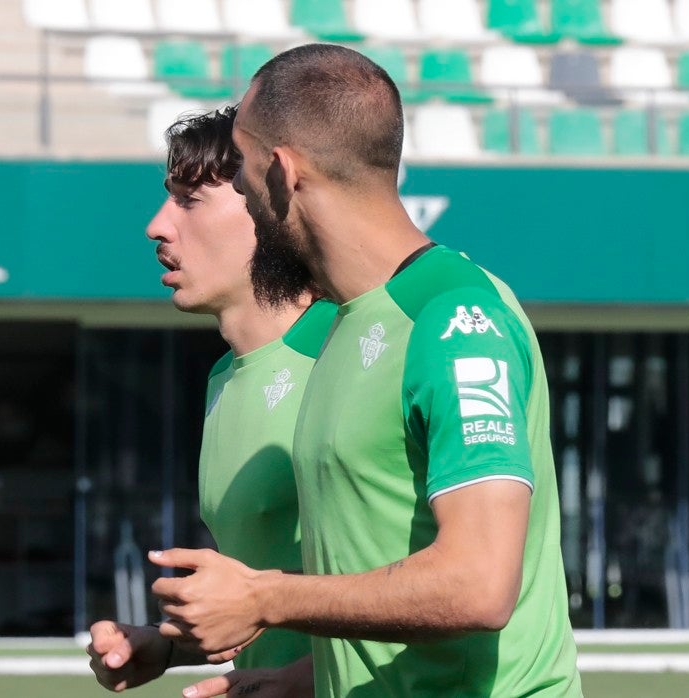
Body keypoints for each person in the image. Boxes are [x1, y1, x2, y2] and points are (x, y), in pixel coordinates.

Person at [149, 44, 582, 697]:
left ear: (283, 173)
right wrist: (297, 682)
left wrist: (265, 597)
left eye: (242, 172)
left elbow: (480, 584)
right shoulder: (344, 327)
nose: (238, 191)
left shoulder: (455, 317)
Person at [86, 107, 335, 696]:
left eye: (190, 200)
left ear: (266, 203)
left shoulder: (352, 351)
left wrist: (296, 683)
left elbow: (432, 589)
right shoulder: (225, 379)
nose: (156, 226)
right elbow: (274, 598)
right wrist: (169, 643)